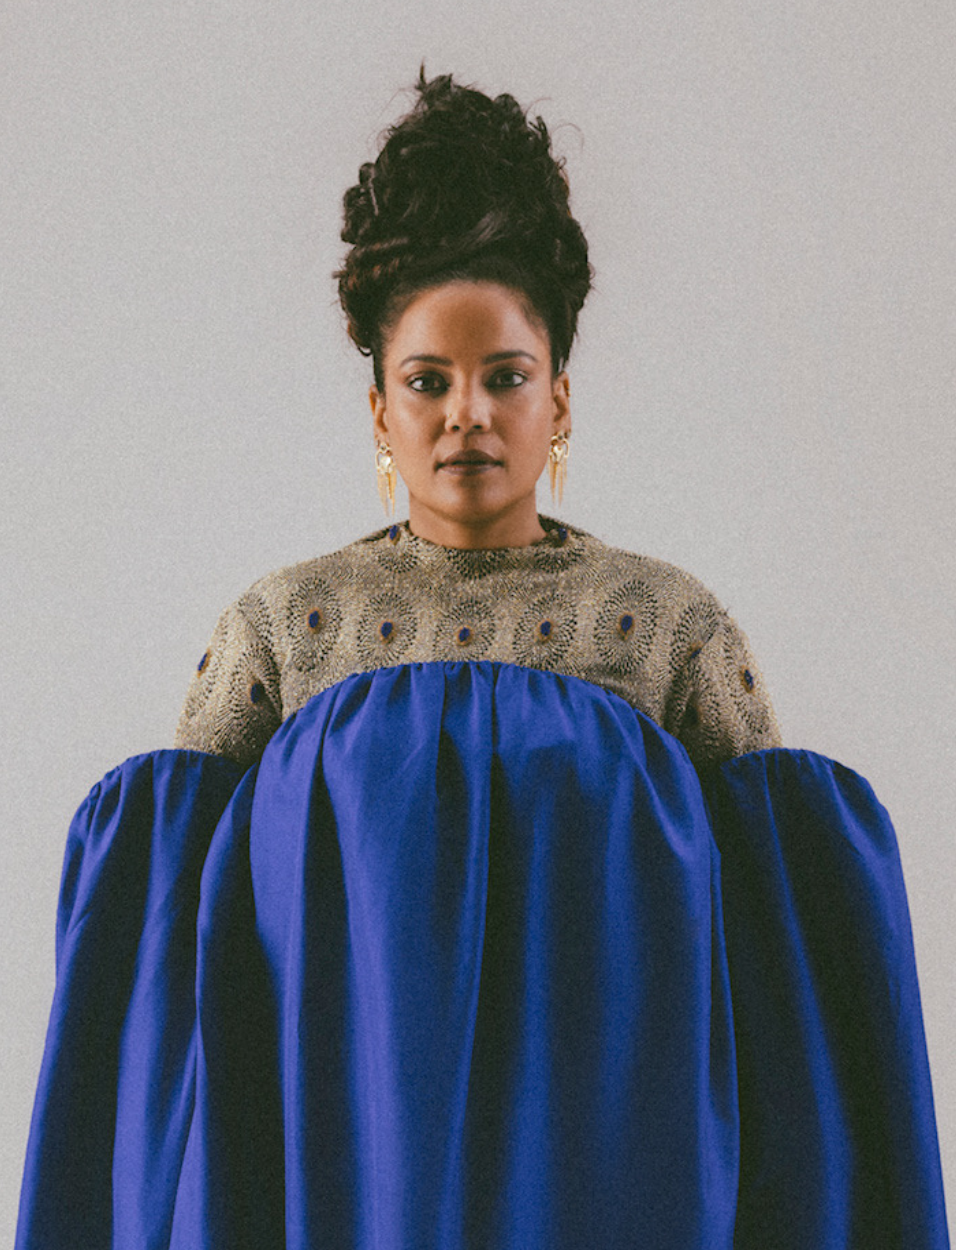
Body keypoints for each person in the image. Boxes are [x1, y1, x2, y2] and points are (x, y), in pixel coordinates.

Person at [16, 72, 949, 1250]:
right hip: (344, 1198)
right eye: (427, 382)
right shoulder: (282, 630)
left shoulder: (665, 627)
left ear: (557, 399)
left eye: (504, 377)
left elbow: (785, 984)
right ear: (377, 412)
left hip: (613, 1194)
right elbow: (173, 981)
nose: (467, 413)